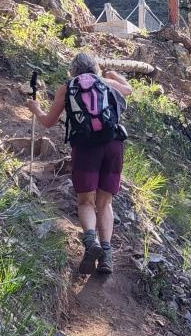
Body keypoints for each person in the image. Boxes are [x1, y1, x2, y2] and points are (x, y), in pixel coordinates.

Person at [26, 52, 132, 274]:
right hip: (113, 144)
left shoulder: (67, 87)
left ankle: (91, 242)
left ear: (72, 70)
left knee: (85, 202)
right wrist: (114, 74)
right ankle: (106, 255)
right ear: (95, 67)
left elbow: (48, 121)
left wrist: (36, 109)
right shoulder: (105, 82)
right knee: (105, 203)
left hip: (85, 147)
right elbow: (128, 90)